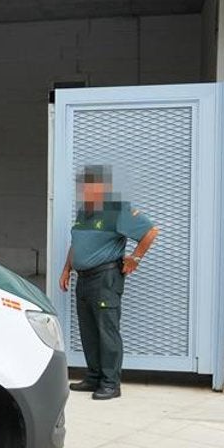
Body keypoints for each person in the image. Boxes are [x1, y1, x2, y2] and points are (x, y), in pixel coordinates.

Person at [58, 164, 159, 400]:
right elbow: (77, 243)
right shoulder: (85, 211)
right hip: (83, 279)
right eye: (83, 187)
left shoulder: (116, 210)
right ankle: (94, 377)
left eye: (91, 186)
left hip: (105, 279)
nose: (85, 191)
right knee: (89, 331)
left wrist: (135, 258)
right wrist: (66, 270)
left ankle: (111, 383)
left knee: (106, 331)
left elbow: (151, 232)